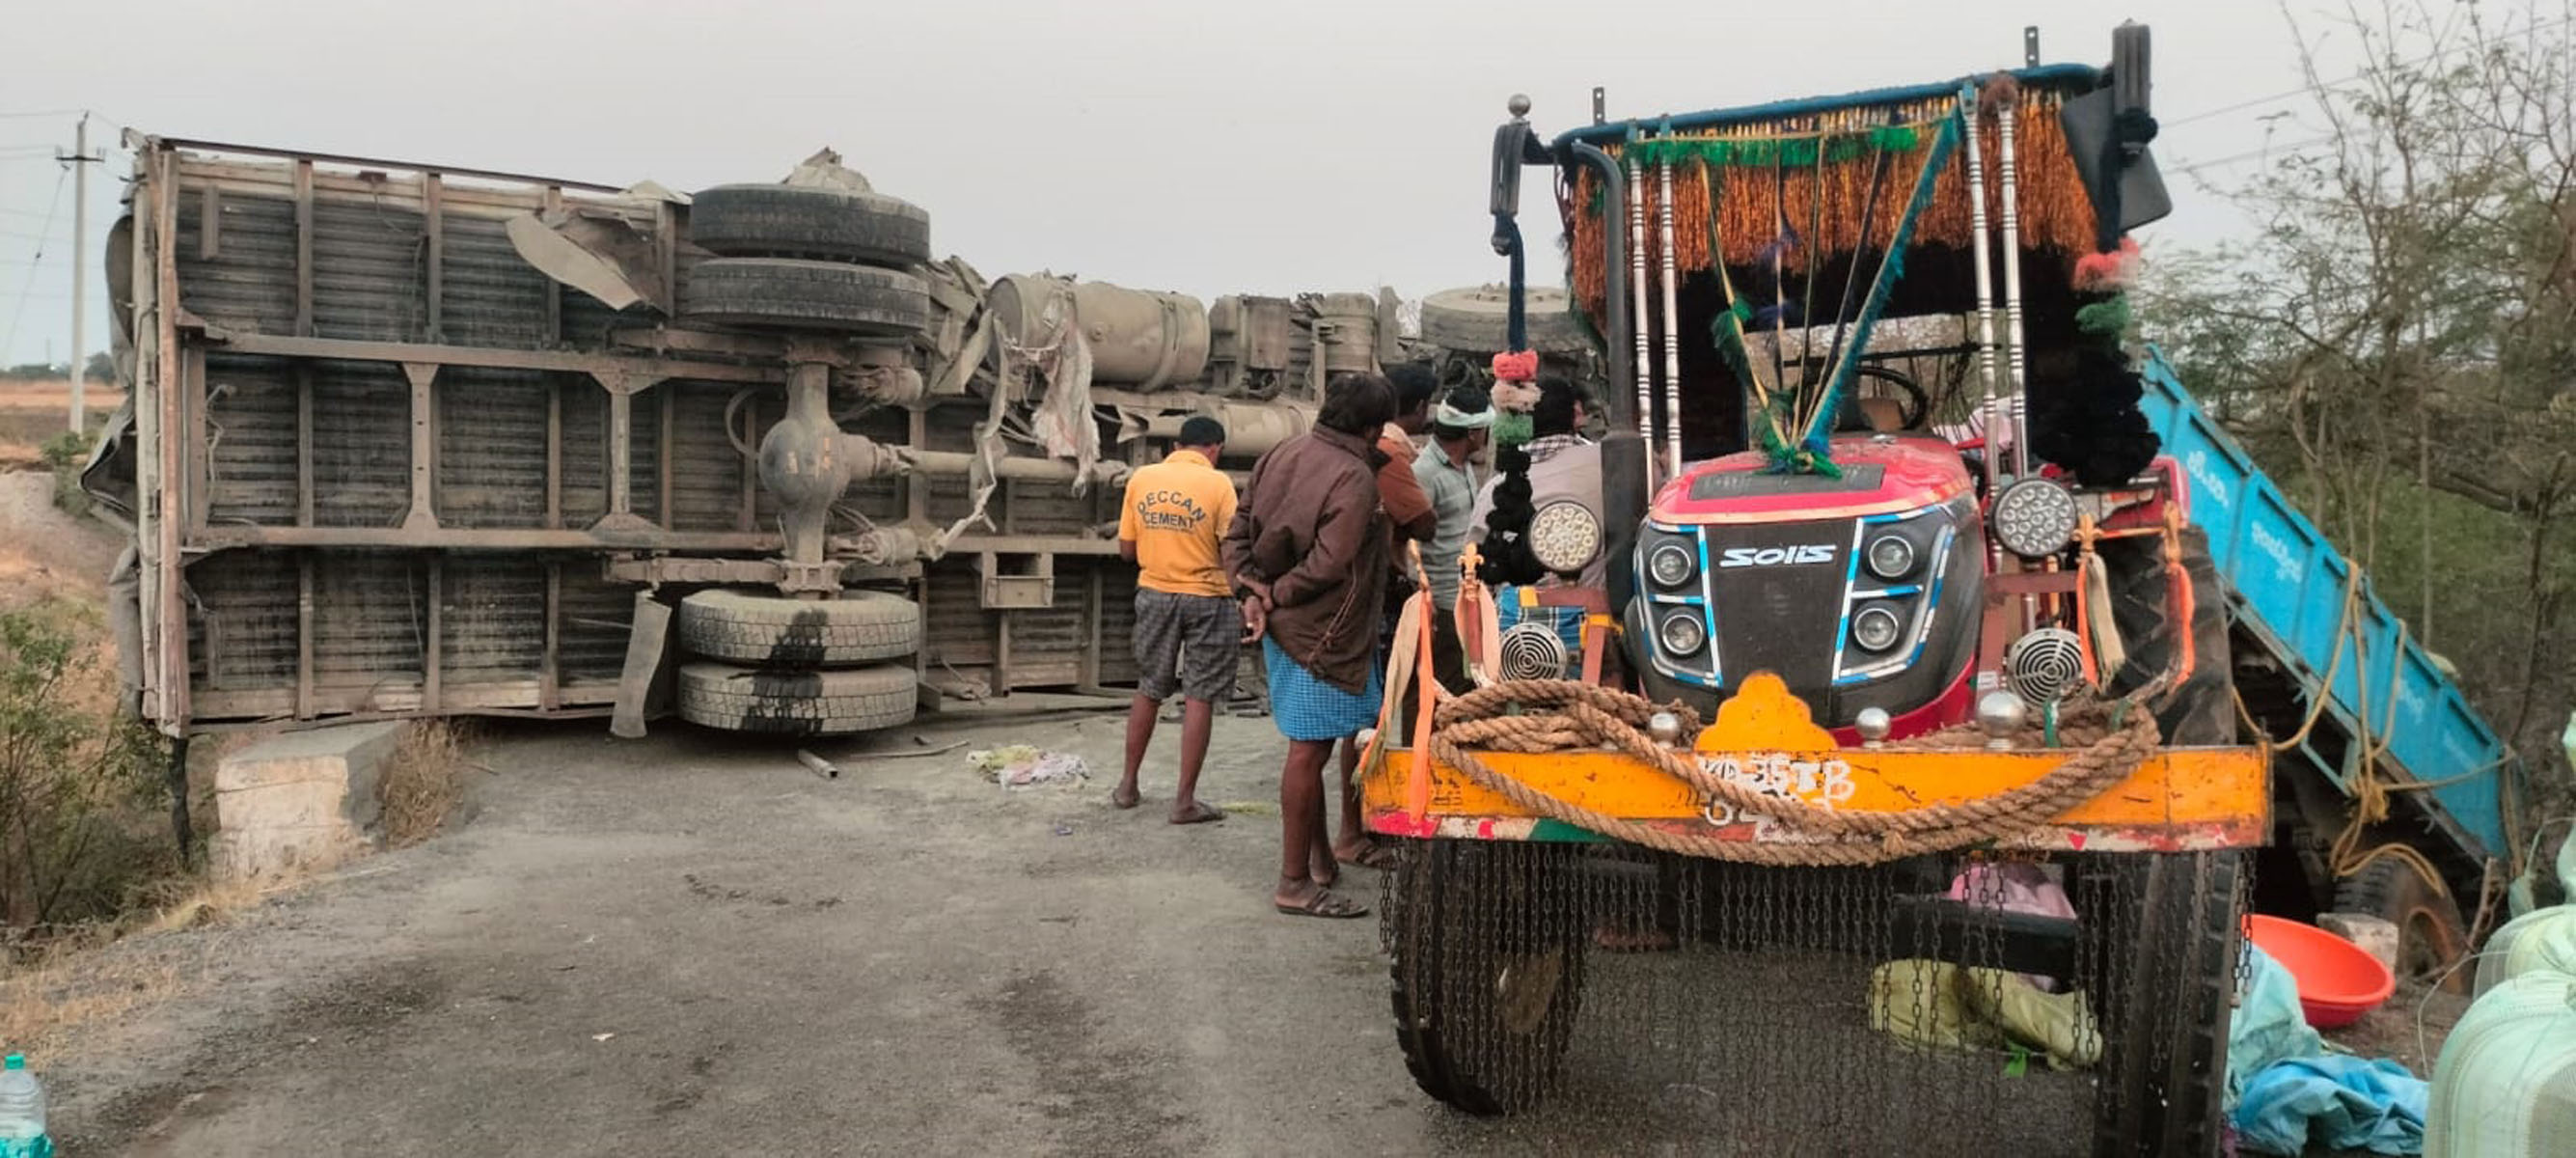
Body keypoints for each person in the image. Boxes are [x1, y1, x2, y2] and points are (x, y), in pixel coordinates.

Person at [1222, 372, 1399, 919]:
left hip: (1287, 626)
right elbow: (1329, 563)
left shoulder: (1283, 451)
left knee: (1314, 747)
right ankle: (1294, 881)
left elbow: (1238, 532)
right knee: (1309, 754)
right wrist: (1271, 594)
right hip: (1323, 633)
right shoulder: (1354, 476)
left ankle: (1322, 861)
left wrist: (1251, 590)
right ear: (1373, 428)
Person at [1113, 416, 1236, 825]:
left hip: (1154, 593)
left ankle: (1127, 786)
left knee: (1149, 688)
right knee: (1199, 696)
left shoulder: (1142, 478)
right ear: (1215, 448)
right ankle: (1184, 802)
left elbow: (1127, 551)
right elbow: (1230, 549)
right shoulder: (1219, 485)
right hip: (1207, 598)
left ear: (1177, 445)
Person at [1470, 376, 1607, 591]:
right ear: (1576, 413)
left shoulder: (1496, 490)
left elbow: (1472, 571)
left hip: (1516, 617)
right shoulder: (1611, 465)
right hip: (1599, 612)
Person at [1413, 385, 1493, 690]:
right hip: (1443, 604)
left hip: (1467, 595)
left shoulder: (1463, 467)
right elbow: (1412, 543)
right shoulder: (1426, 473)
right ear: (1472, 433)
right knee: (1437, 688)